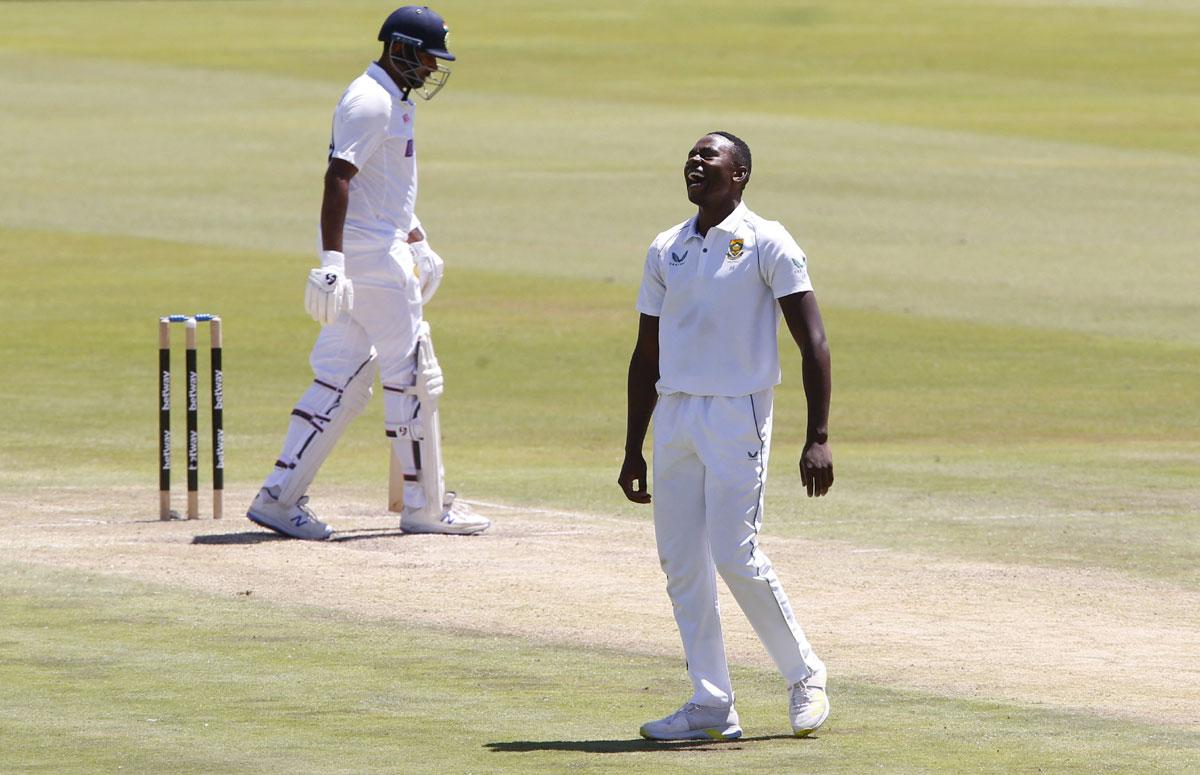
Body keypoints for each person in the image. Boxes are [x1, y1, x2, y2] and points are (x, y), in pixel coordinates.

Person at [619, 131, 834, 740]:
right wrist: (634, 445)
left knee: (734, 554)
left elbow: (813, 342)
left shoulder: (768, 239)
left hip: (738, 413)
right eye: (690, 155)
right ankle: (711, 704)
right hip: (676, 415)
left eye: (708, 156)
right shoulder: (667, 247)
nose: (694, 161)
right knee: (682, 563)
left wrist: (817, 435)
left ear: (738, 174)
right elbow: (645, 353)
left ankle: (804, 674)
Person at [246, 6, 490, 540]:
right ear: (400, 48)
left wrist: (417, 237)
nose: (431, 68)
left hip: (377, 249)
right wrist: (331, 263)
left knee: (343, 379)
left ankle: (278, 497)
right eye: (427, 57)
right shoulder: (370, 99)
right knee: (416, 377)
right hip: (371, 259)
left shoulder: (390, 99)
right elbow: (339, 178)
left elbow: (386, 187)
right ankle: (426, 507)